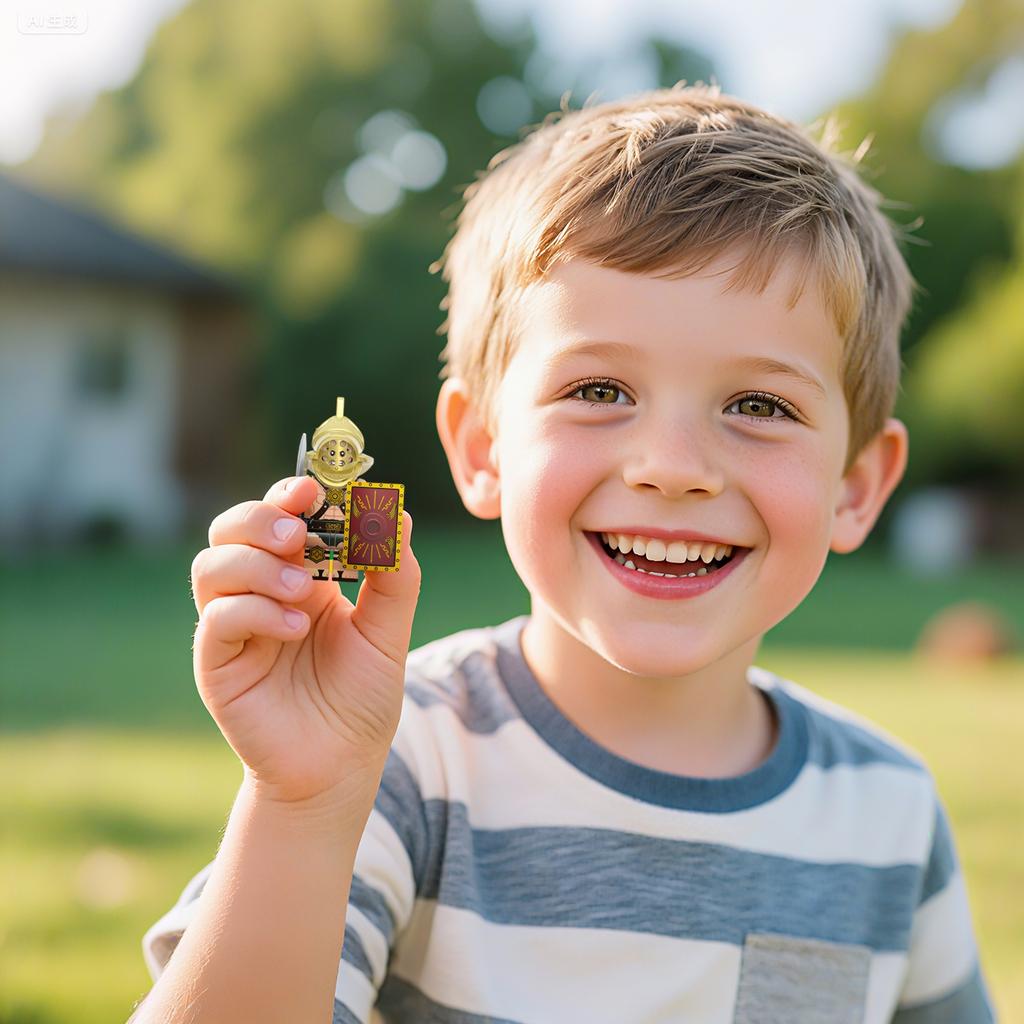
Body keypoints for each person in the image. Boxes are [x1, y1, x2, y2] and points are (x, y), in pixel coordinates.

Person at [130, 83, 998, 1023]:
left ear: (857, 486)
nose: (673, 468)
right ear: (482, 449)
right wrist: (302, 803)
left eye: (760, 406)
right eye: (598, 388)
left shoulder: (890, 816)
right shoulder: (399, 764)